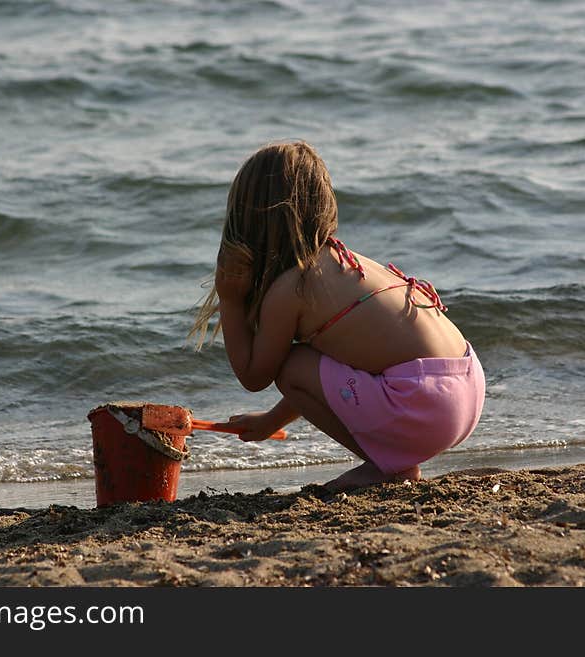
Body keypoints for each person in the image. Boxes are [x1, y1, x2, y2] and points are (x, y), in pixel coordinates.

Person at [190, 141, 485, 492]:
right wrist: (272, 420)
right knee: (315, 361)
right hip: (466, 386)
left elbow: (255, 376)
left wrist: (231, 299)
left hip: (426, 405)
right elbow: (328, 378)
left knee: (290, 364)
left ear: (250, 219)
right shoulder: (348, 263)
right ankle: (391, 460)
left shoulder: (293, 287)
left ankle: (386, 467)